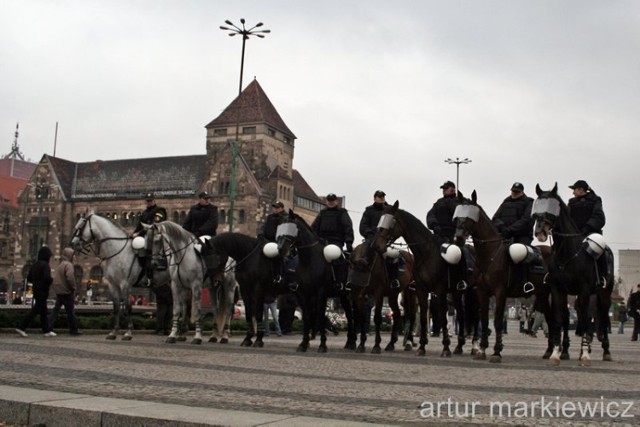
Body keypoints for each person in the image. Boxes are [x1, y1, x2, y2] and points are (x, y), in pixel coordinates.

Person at [567, 180, 611, 285]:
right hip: (574, 234)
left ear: (581, 189)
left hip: (590, 233)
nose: (573, 192)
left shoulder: (595, 200)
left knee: (600, 249)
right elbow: (567, 218)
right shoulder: (571, 202)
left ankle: (602, 277)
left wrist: (587, 228)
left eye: (574, 189)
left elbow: (599, 217)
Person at [427, 181, 469, 289]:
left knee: (459, 253)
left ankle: (461, 280)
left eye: (446, 188)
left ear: (453, 189)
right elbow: (431, 214)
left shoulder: (459, 202)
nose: (443, 190)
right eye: (443, 189)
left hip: (453, 233)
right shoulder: (438, 202)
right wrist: (434, 224)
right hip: (439, 233)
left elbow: (459, 215)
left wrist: (449, 201)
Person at [312, 193, 354, 289]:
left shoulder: (342, 213)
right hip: (321, 241)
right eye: (329, 201)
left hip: (336, 241)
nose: (330, 202)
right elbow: (314, 228)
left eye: (332, 201)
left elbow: (348, 227)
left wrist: (349, 242)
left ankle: (339, 281)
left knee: (337, 259)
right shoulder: (322, 213)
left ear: (336, 201)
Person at [15, 246, 56, 337]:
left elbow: (29, 278)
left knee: (43, 311)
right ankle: (22, 327)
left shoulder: (35, 264)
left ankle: (46, 330)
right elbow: (47, 278)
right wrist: (51, 280)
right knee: (36, 310)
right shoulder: (45, 265)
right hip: (43, 290)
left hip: (36, 289)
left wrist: (36, 281)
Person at [48, 247, 81, 336]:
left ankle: (48, 327)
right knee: (70, 312)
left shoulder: (60, 265)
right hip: (67, 292)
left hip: (60, 292)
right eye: (73, 255)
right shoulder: (69, 265)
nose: (74, 257)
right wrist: (73, 288)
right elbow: (70, 277)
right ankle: (74, 330)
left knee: (55, 311)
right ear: (70, 255)